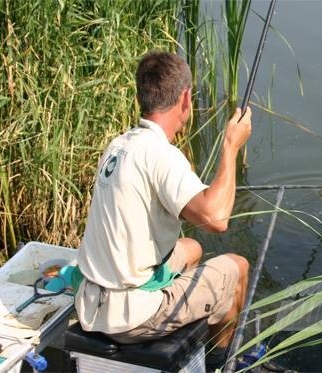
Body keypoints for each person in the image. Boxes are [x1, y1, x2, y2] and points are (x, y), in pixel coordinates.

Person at [74, 50, 251, 368]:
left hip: (92, 301)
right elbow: (216, 218)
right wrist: (230, 146)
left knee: (192, 248)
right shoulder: (161, 155)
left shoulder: (119, 145)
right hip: (130, 319)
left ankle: (187, 321)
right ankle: (223, 363)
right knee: (237, 267)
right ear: (184, 99)